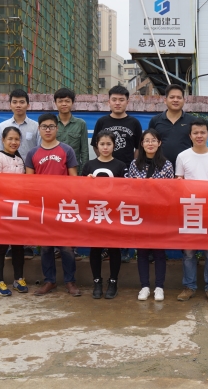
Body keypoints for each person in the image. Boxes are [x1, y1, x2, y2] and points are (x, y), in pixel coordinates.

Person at [25, 113, 80, 296]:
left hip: (63, 206)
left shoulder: (67, 150)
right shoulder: (33, 153)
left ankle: (70, 282)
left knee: (66, 246)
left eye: (51, 126)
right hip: (42, 207)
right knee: (46, 246)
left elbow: (74, 179)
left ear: (57, 128)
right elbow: (29, 183)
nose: (47, 130)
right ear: (39, 129)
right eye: (44, 127)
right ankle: (50, 281)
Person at [176, 118, 208, 304]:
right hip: (190, 210)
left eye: (202, 132)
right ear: (190, 135)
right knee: (189, 252)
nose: (199, 136)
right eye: (195, 133)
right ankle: (189, 286)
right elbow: (179, 183)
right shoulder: (183, 156)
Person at [91, 85, 142, 262]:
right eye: (114, 99)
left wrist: (132, 165)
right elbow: (95, 145)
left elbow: (138, 148)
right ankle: (106, 247)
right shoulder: (102, 122)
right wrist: (105, 161)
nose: (118, 103)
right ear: (109, 102)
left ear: (127, 101)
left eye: (121, 100)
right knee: (106, 209)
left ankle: (125, 249)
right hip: (105, 175)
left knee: (123, 210)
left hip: (125, 173)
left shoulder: (134, 123)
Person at [128, 128, 174, 301]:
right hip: (141, 214)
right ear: (142, 143)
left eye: (153, 140)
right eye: (147, 140)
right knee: (142, 251)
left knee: (159, 251)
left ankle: (159, 287)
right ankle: (145, 286)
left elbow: (170, 190)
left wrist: (156, 186)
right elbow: (129, 189)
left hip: (159, 214)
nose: (150, 143)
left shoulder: (167, 164)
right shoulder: (134, 164)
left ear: (159, 143)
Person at [82, 129, 128, 299]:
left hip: (114, 213)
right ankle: (97, 282)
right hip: (95, 212)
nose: (105, 147)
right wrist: (87, 182)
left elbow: (126, 189)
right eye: (102, 144)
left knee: (114, 248)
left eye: (109, 144)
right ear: (96, 145)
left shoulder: (121, 165)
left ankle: (113, 282)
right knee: (95, 248)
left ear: (114, 146)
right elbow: (81, 190)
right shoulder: (89, 166)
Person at [0, 89, 41, 260]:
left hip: (28, 174)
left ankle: (27, 246)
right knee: (8, 210)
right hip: (7, 175)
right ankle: (9, 244)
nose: (18, 105)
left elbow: (38, 151)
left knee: (26, 211)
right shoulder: (2, 127)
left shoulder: (35, 126)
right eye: (15, 102)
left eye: (22, 102)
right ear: (10, 105)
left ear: (28, 104)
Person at [0, 126, 28, 296]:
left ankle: (19, 279)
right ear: (3, 140)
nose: (13, 142)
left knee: (18, 246)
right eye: (10, 139)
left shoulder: (20, 158)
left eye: (17, 139)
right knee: (1, 247)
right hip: (1, 210)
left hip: (18, 209)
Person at [147, 84, 198, 168]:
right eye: (172, 97)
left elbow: (197, 145)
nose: (175, 100)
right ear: (165, 100)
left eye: (179, 97)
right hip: (160, 168)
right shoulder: (155, 121)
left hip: (186, 167)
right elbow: (149, 144)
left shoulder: (193, 121)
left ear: (184, 100)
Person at [54, 87, 89, 174]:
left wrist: (84, 172)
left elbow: (84, 151)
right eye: (60, 101)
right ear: (55, 103)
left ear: (72, 103)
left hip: (75, 169)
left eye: (67, 101)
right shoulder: (51, 123)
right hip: (55, 168)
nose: (64, 104)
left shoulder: (81, 124)